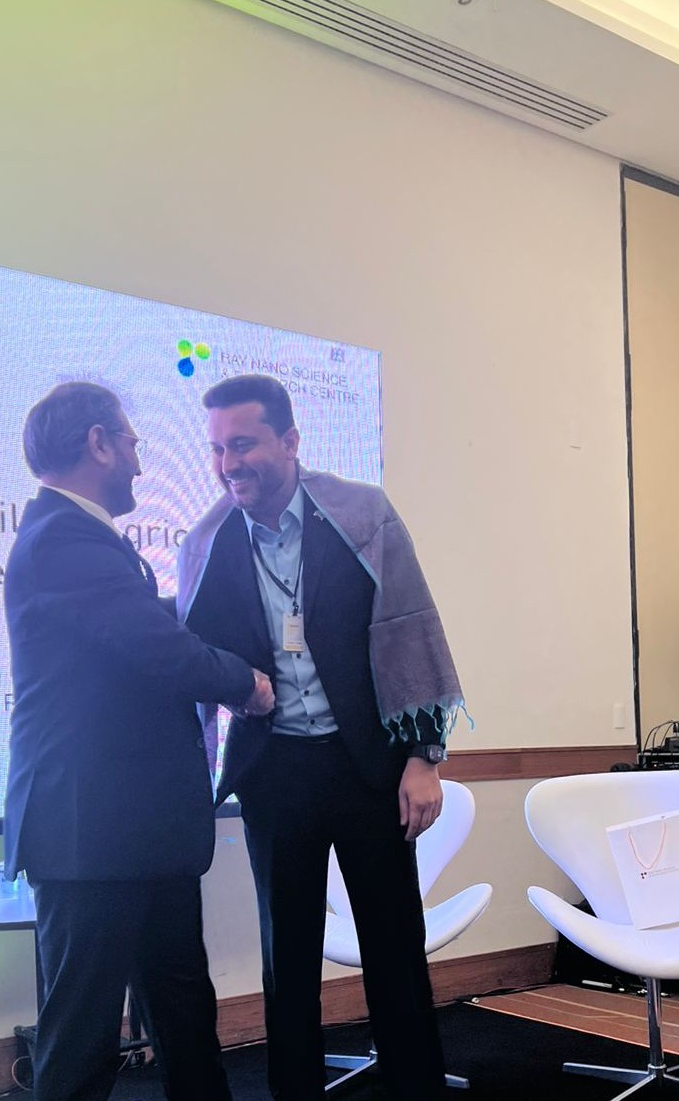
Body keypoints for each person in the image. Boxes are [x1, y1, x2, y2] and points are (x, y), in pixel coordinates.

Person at [177, 373, 465, 1101]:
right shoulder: (206, 541)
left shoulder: (363, 515)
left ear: (290, 441)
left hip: (368, 768)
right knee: (289, 962)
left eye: (243, 444)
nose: (228, 463)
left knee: (396, 951)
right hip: (275, 774)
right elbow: (192, 657)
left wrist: (423, 757)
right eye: (217, 448)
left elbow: (413, 631)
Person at [2, 381, 274, 1101]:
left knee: (184, 1015)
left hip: (139, 834)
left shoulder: (82, 540)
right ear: (98, 443)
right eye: (130, 442)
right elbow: (155, 646)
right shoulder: (62, 537)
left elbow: (140, 627)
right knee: (82, 1039)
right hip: (90, 837)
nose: (139, 462)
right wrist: (247, 682)